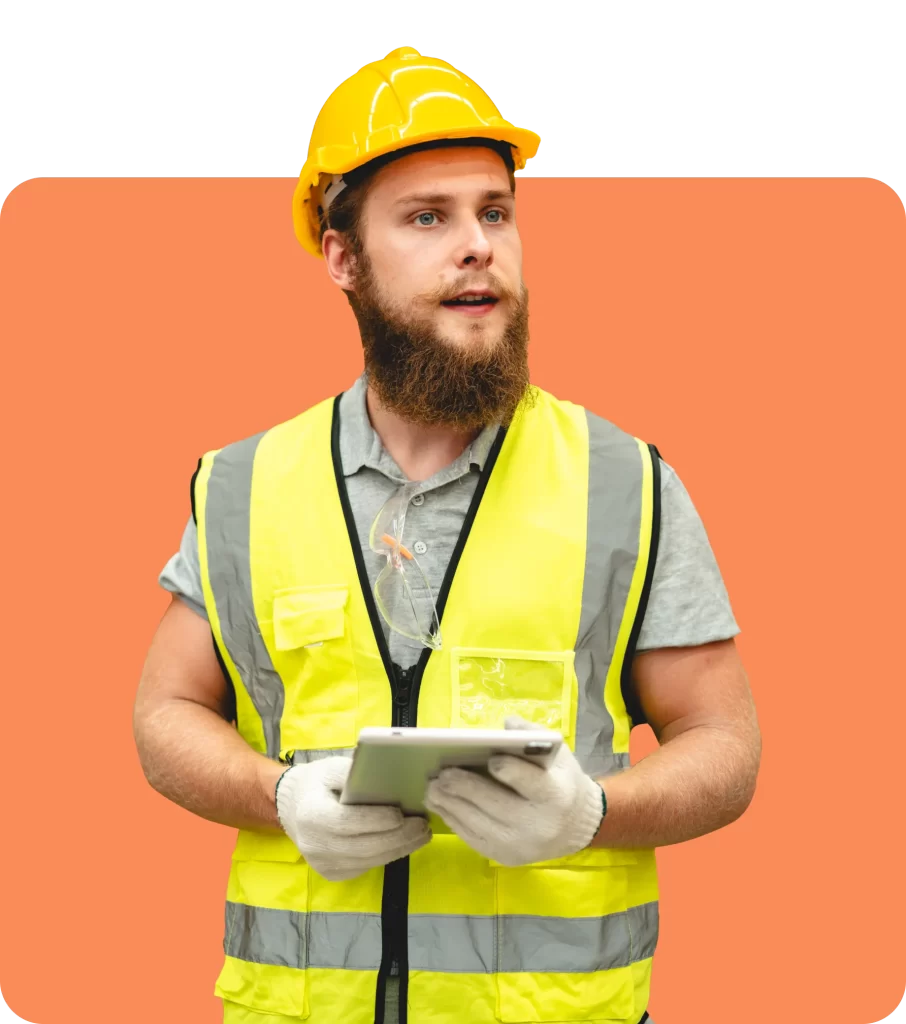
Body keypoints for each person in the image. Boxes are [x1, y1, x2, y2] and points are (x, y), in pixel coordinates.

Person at [133, 47, 761, 1024]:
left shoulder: (625, 483)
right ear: (343, 258)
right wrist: (276, 797)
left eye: (495, 213)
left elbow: (724, 744)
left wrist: (593, 813)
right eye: (428, 217)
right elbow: (165, 713)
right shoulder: (244, 485)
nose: (478, 246)